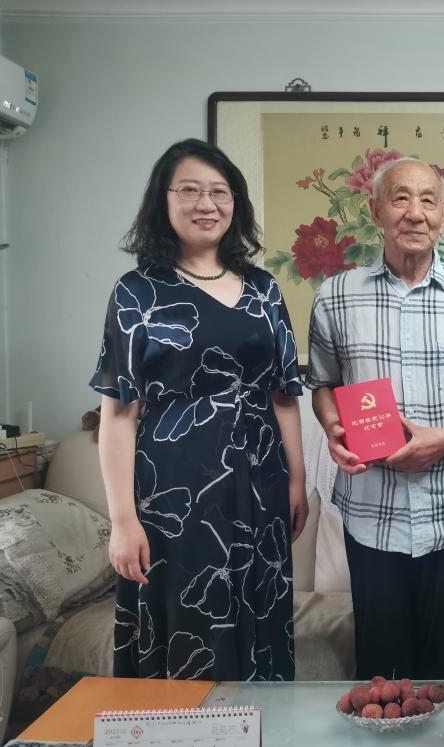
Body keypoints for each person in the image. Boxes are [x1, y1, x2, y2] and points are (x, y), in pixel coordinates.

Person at [91, 138, 306, 681]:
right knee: (189, 620)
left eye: (219, 192)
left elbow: (284, 395)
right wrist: (122, 521)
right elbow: (118, 415)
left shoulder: (263, 289)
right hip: (174, 491)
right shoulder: (136, 293)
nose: (205, 204)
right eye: (189, 190)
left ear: (236, 204)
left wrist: (298, 482)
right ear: (163, 201)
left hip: (260, 484)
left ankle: (262, 731)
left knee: (260, 613)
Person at [307, 157, 444, 680]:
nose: (415, 213)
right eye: (400, 198)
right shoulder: (336, 296)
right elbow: (323, 383)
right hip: (370, 509)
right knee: (382, 677)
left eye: (428, 200)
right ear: (376, 210)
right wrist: (333, 426)